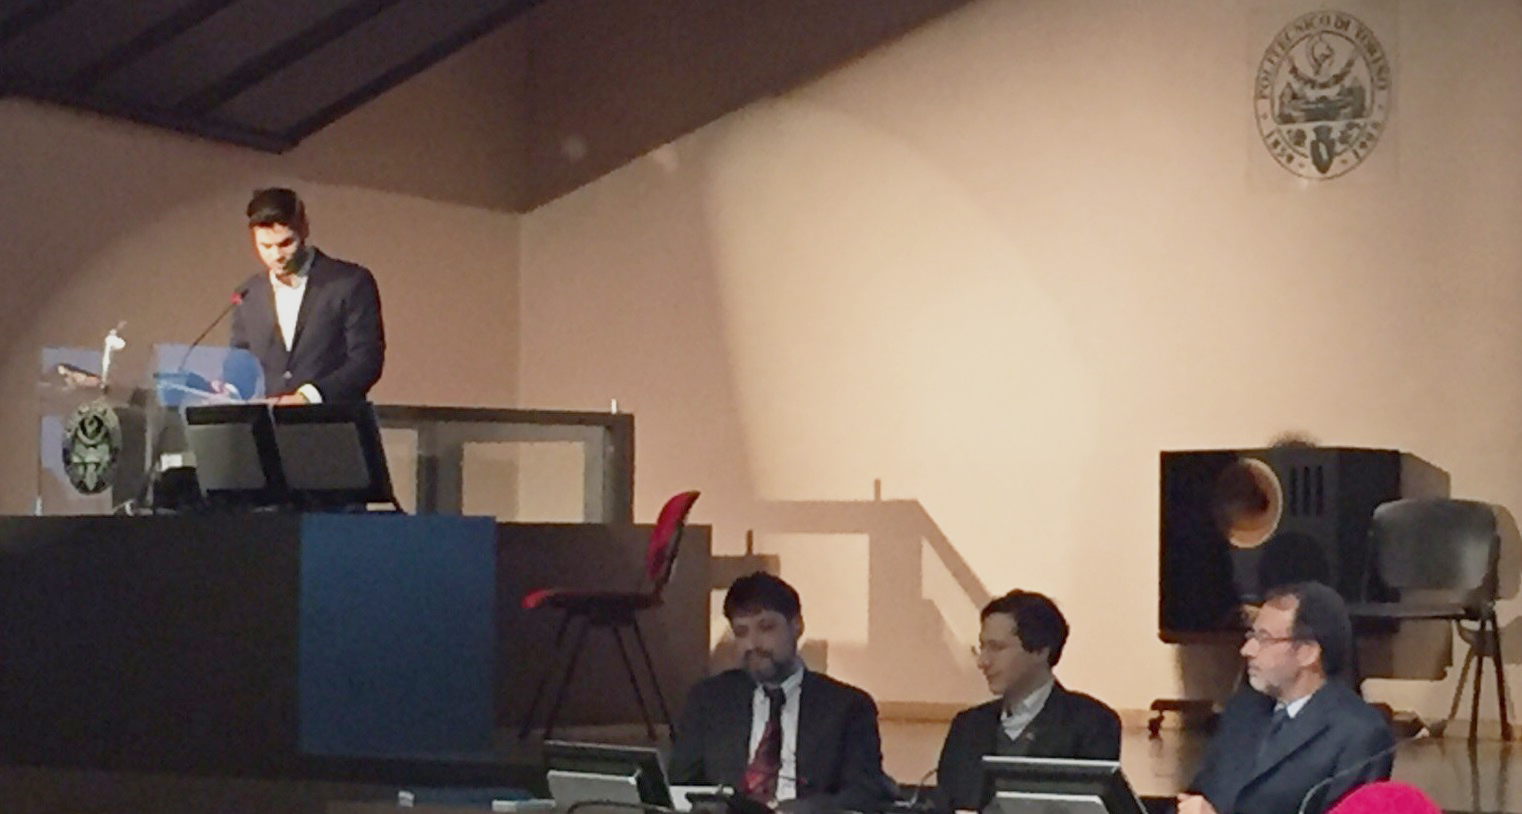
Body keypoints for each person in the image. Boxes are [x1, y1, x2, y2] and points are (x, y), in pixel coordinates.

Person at [669, 572, 892, 813]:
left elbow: (865, 793)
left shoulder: (848, 707)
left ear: (797, 626)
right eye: (741, 632)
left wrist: (799, 810)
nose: (752, 644)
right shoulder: (709, 700)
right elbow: (678, 786)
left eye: (766, 628)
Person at [1179, 582, 1395, 814]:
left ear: (1307, 653)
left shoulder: (1360, 733)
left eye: (1264, 639)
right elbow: (1198, 796)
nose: (1247, 649)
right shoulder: (1243, 710)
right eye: (1251, 635)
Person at [932, 590, 1120, 813]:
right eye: (982, 647)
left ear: (1040, 651)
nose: (983, 661)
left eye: (997, 647)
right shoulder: (967, 726)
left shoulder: (1092, 724)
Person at [230, 187, 385, 404]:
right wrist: (228, 387)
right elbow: (241, 363)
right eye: (265, 246)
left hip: (333, 420)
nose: (276, 255)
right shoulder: (248, 294)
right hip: (270, 422)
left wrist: (308, 397)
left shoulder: (349, 282)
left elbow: (366, 361)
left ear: (304, 228)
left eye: (286, 243)